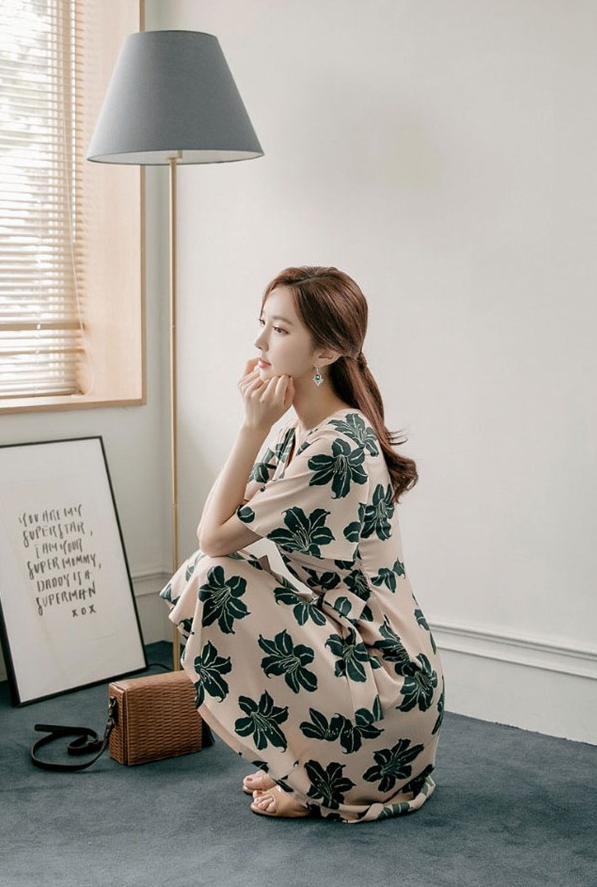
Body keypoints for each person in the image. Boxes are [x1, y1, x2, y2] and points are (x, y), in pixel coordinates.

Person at [160, 266, 444, 823]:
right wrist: (261, 427)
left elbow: (213, 536)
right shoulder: (301, 431)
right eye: (263, 324)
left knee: (218, 577)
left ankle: (325, 778)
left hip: (389, 690)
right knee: (217, 568)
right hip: (362, 663)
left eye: (280, 329)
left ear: (327, 352)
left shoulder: (337, 446)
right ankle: (307, 760)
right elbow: (223, 519)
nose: (260, 342)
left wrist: (251, 427)